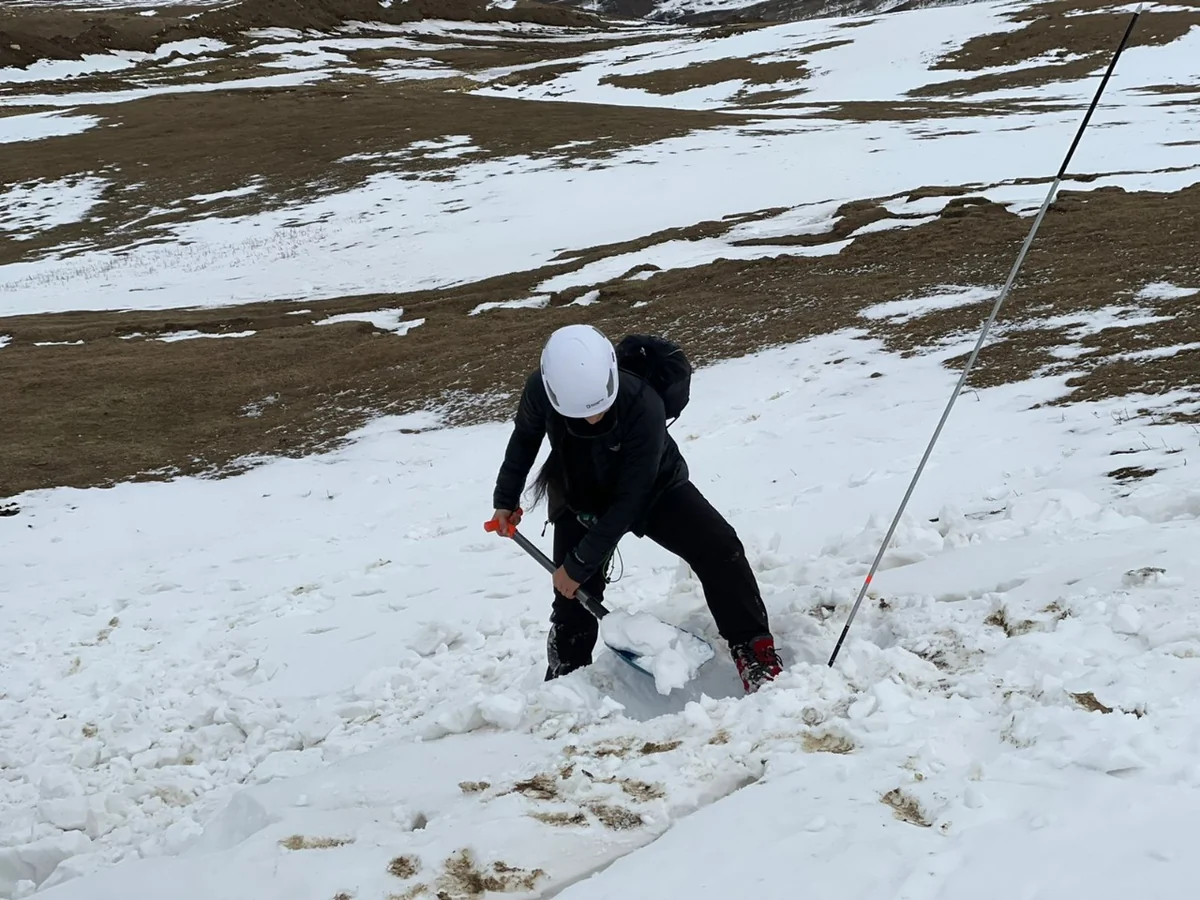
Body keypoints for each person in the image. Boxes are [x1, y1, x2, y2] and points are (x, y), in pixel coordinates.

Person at [489, 323, 783, 695]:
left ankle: (753, 648)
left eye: (600, 407)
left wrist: (579, 564)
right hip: (579, 490)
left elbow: (631, 498)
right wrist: (505, 500)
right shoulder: (540, 390)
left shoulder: (644, 404)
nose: (593, 419)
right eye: (581, 412)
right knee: (571, 597)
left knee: (720, 548)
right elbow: (525, 438)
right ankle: (567, 680)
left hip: (654, 487)